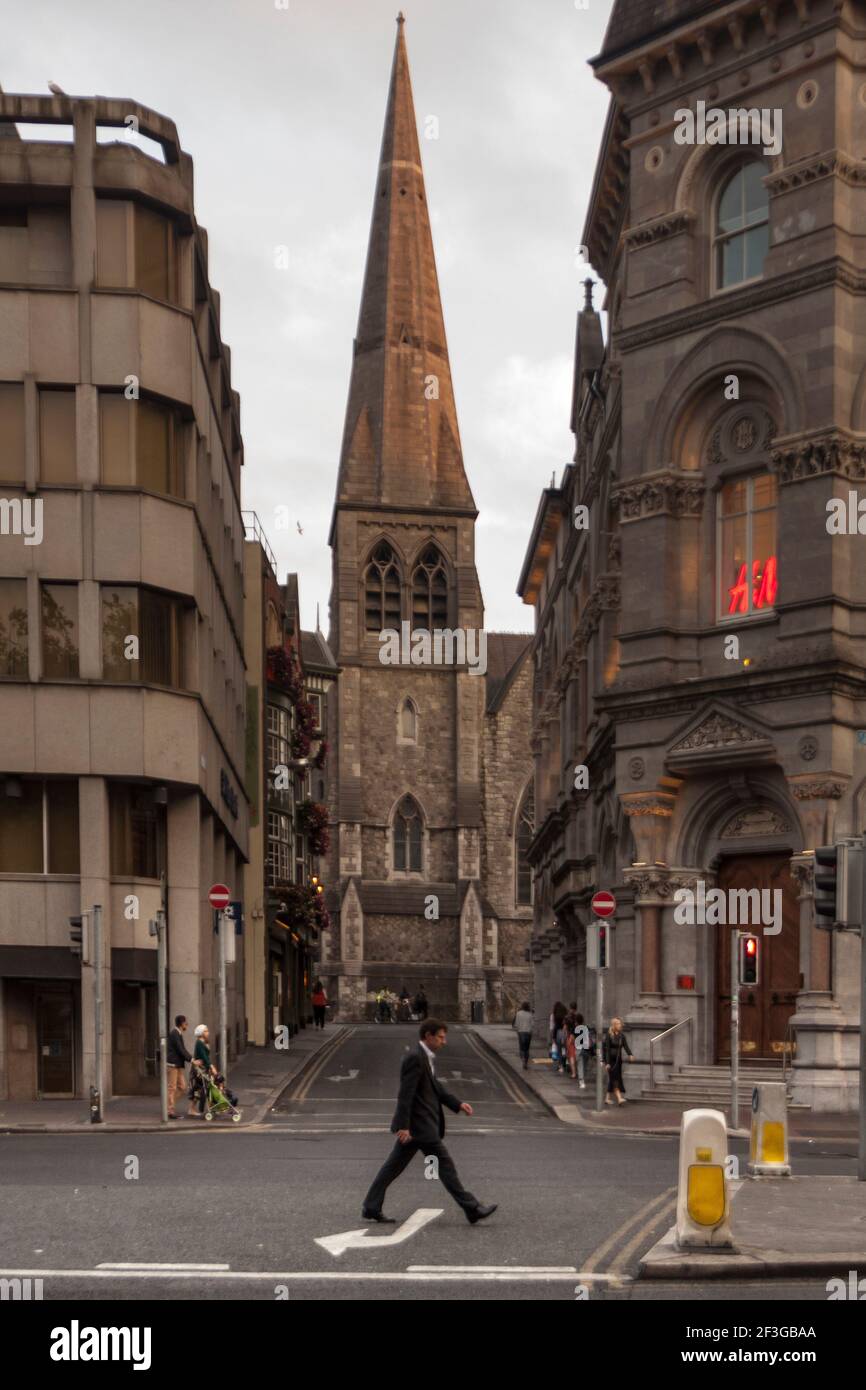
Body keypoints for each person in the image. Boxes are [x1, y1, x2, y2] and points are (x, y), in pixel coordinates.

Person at [361, 1019, 497, 1226]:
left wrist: (458, 1104)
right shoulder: (415, 1058)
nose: (444, 1041)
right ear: (428, 1036)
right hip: (420, 1128)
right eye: (441, 1037)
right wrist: (403, 1126)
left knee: (393, 1167)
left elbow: (435, 1088)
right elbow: (406, 1094)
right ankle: (472, 1208)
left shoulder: (424, 1057)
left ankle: (371, 1206)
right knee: (444, 1165)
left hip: (418, 1128)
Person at [603, 1017, 635, 1105]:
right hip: (610, 1062)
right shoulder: (609, 1035)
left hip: (618, 1061)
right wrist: (607, 1063)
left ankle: (607, 1098)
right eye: (618, 1024)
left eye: (620, 1024)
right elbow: (607, 1049)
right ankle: (619, 1098)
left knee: (613, 1079)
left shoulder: (622, 1036)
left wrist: (630, 1054)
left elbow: (626, 1046)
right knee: (615, 1079)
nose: (620, 1025)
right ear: (614, 1025)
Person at [166, 1014, 192, 1119]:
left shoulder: (178, 1033)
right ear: (182, 1024)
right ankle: (170, 1110)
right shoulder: (175, 1033)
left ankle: (168, 1105)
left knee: (182, 1087)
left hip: (177, 1064)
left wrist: (192, 1058)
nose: (187, 1025)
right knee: (172, 1088)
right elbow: (180, 1050)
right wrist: (191, 1060)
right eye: (186, 1023)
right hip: (173, 1064)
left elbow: (183, 1049)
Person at [187, 1023, 215, 1118]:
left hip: (203, 1069)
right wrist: (211, 1066)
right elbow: (204, 1056)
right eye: (206, 1031)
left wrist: (209, 1067)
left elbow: (206, 1057)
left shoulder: (204, 1042)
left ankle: (206, 1107)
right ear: (201, 1033)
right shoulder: (199, 1042)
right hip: (198, 1070)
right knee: (198, 1089)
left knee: (203, 1088)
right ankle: (191, 1109)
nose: (208, 1032)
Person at [512, 1001, 534, 1070]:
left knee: (521, 1047)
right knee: (527, 1048)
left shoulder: (518, 1013)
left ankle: (523, 1060)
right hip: (528, 1033)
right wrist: (530, 1030)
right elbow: (532, 1024)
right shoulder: (530, 1014)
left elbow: (516, 1024)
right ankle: (526, 1062)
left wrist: (517, 1030)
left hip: (521, 1032)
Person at [549, 1001, 567, 1074]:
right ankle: (566, 1063)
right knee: (565, 1049)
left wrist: (553, 1037)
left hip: (558, 1033)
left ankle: (561, 1066)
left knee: (559, 1051)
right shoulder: (565, 1015)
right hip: (565, 1033)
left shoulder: (554, 1015)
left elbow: (554, 1027)